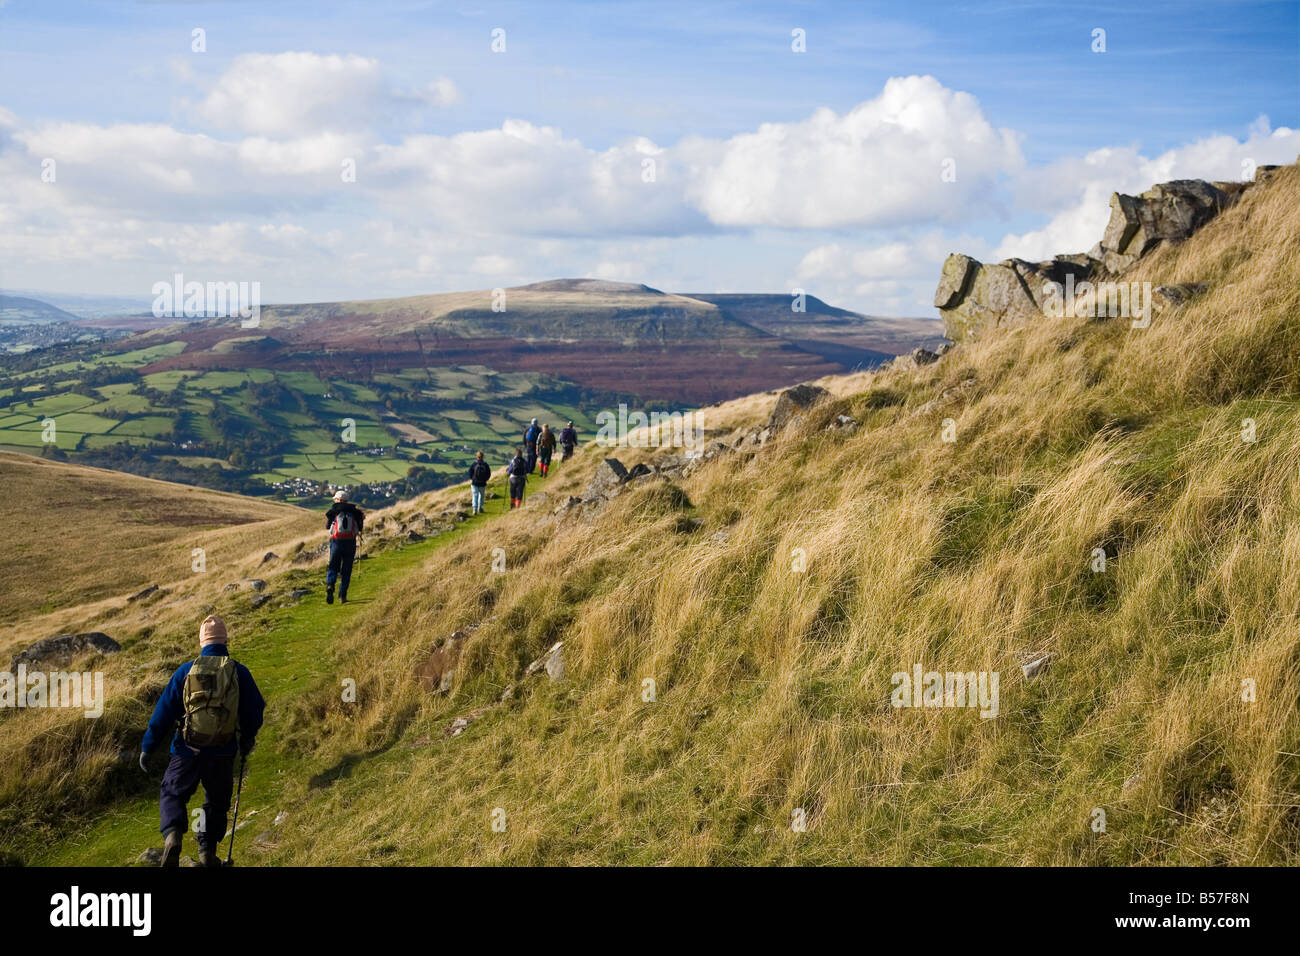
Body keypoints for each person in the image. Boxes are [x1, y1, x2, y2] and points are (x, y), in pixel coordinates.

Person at [140, 615, 265, 868]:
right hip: (222, 750)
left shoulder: (186, 671)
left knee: (172, 792)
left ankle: (173, 835)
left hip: (187, 750)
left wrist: (148, 747)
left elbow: (163, 712)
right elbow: (255, 710)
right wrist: (247, 738)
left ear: (202, 641)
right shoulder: (238, 671)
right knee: (216, 802)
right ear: (225, 640)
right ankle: (207, 852)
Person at [325, 490, 365, 604]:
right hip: (350, 542)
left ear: (337, 500)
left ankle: (330, 585)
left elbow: (327, 527)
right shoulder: (354, 511)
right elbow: (360, 528)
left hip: (336, 541)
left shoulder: (333, 511)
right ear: (347, 500)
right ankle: (342, 596)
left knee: (333, 566)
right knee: (346, 570)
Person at [467, 450, 491, 514]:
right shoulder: (485, 465)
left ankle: (474, 509)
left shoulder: (474, 464)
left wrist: (472, 479)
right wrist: (485, 480)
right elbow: (488, 474)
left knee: (475, 495)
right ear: (483, 457)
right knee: (481, 496)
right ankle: (480, 508)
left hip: (474, 483)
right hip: (482, 483)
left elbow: (470, 472)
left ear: (477, 457)